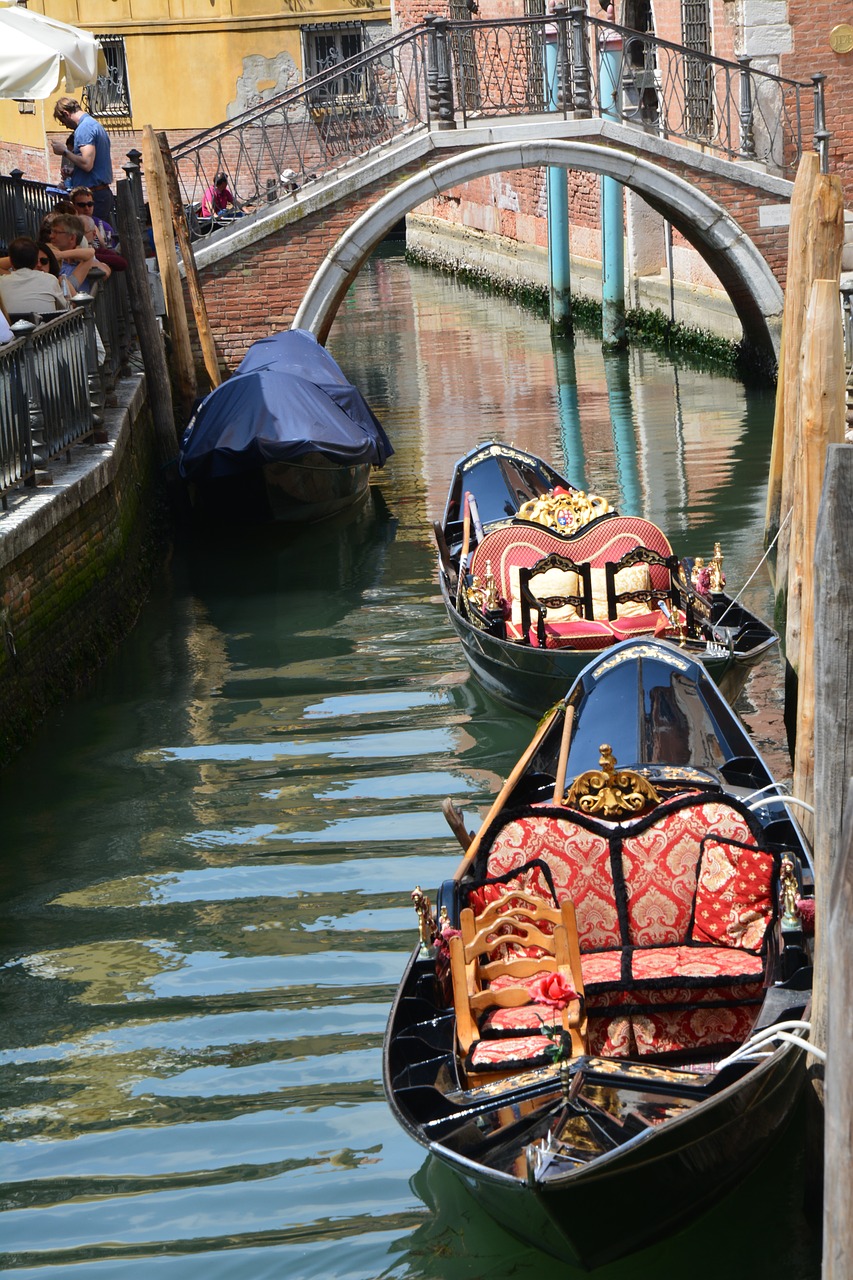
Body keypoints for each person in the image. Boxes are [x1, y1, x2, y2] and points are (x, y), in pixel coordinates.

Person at [50, 96, 115, 223]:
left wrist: (64, 151)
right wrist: (74, 173)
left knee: (92, 237)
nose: (66, 127)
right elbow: (93, 165)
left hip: (91, 197)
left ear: (66, 114)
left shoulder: (84, 129)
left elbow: (87, 164)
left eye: (63, 122)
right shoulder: (93, 124)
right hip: (97, 193)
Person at [0, 237, 69, 316]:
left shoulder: (2, 282)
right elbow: (65, 309)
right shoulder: (50, 280)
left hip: (10, 327)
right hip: (46, 327)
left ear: (10, 261)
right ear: (36, 260)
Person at [69, 187, 127, 272]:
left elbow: (113, 253)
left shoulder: (104, 226)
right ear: (73, 205)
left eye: (90, 204)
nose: (86, 208)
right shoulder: (67, 225)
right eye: (82, 205)